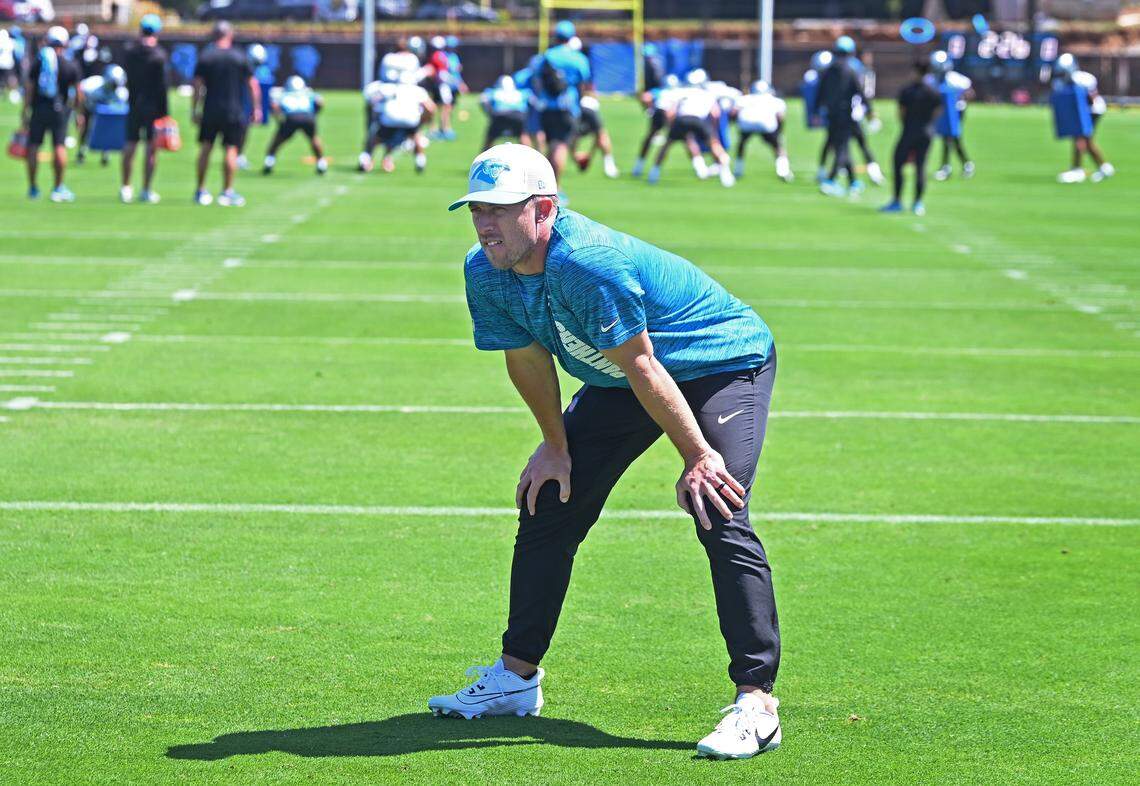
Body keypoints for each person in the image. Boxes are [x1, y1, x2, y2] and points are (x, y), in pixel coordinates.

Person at [430, 144, 782, 762]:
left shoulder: (588, 263)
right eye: (477, 209)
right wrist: (555, 445)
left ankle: (756, 702)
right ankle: (516, 677)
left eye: (501, 210)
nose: (485, 224)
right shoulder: (484, 269)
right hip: (629, 374)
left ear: (543, 210)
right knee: (549, 501)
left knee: (717, 506)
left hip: (719, 362)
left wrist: (698, 456)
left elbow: (646, 363)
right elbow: (527, 359)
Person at [191, 21, 261, 206]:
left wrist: (195, 109)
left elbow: (197, 85)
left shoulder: (207, 56)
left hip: (210, 109)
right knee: (231, 149)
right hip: (234, 110)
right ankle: (227, 192)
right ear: (230, 35)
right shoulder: (239, 57)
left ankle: (200, 191)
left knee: (206, 148)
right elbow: (253, 85)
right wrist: (256, 108)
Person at [647, 69, 735, 187]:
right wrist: (713, 131)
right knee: (714, 144)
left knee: (667, 145)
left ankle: (654, 172)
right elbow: (715, 114)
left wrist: (671, 126)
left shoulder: (682, 92)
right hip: (699, 120)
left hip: (682, 120)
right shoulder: (707, 94)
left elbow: (670, 112)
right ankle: (726, 173)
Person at [531, 20, 592, 191]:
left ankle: (546, 186)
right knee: (561, 146)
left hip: (547, 107)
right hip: (568, 107)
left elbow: (537, 80)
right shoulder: (578, 58)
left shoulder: (548, 55)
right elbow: (583, 84)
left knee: (551, 145)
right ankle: (555, 188)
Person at [22, 26, 80, 202]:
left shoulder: (39, 62)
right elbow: (78, 92)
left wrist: (26, 110)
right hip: (59, 110)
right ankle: (58, 187)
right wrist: (78, 112)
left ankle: (33, 188)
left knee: (34, 145)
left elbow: (30, 88)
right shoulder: (69, 64)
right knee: (59, 146)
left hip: (39, 109)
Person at [880, 60, 942, 216]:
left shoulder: (907, 91)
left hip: (909, 131)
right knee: (921, 167)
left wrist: (908, 124)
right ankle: (917, 203)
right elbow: (938, 111)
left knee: (898, 163)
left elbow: (901, 112)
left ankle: (897, 201)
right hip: (927, 132)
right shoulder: (933, 91)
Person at [121, 13, 169, 204]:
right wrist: (165, 113)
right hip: (153, 108)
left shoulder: (130, 52)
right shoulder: (159, 55)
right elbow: (162, 87)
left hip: (133, 104)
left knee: (130, 145)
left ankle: (126, 187)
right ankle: (146, 189)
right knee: (151, 149)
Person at [1052, 53, 1114, 184]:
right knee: (1086, 140)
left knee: (1080, 138)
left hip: (1092, 111)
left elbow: (1092, 100)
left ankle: (1077, 170)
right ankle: (1104, 168)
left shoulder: (1082, 79)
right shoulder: (1063, 81)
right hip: (1082, 111)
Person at [817, 36, 866, 196]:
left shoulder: (828, 70)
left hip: (831, 115)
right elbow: (859, 92)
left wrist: (816, 110)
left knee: (841, 146)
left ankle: (853, 181)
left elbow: (820, 92)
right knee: (842, 148)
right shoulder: (851, 70)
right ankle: (830, 180)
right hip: (845, 114)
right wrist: (870, 110)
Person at [360, 68, 434, 174]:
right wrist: (424, 121)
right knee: (416, 135)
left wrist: (376, 116)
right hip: (410, 120)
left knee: (374, 140)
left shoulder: (387, 88)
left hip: (390, 119)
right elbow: (431, 108)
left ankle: (366, 160)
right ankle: (420, 162)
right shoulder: (418, 90)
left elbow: (373, 102)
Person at [262, 75, 326, 175]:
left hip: (291, 117)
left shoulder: (282, 94)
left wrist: (279, 120)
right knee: (314, 139)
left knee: (277, 141)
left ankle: (269, 162)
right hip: (308, 117)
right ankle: (321, 163)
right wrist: (314, 114)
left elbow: (274, 106)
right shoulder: (308, 93)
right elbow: (320, 102)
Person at [732, 80, 792, 182]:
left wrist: (737, 123)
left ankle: (738, 170)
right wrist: (779, 131)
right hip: (767, 125)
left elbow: (734, 112)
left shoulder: (744, 99)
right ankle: (783, 171)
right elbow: (780, 117)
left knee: (741, 145)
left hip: (747, 124)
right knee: (778, 147)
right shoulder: (775, 101)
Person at [930, 50, 975, 181]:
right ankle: (961, 165)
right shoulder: (933, 79)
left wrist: (958, 97)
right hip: (942, 112)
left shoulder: (954, 78)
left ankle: (950, 167)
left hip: (956, 112)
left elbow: (970, 93)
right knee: (949, 138)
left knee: (951, 137)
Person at [631, 73, 681, 178]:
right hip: (671, 113)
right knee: (679, 140)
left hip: (659, 112)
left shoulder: (660, 91)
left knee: (649, 137)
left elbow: (645, 97)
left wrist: (648, 109)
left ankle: (639, 165)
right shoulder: (678, 92)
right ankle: (700, 167)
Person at [76, 63, 127, 167]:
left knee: (107, 130)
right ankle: (82, 151)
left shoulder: (121, 93)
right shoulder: (92, 85)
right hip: (89, 108)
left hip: (107, 112)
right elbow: (80, 92)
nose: (114, 87)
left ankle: (105, 154)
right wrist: (80, 113)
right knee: (86, 130)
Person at [571, 94, 619, 178]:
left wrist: (587, 155)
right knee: (601, 135)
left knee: (601, 135)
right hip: (579, 107)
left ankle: (609, 164)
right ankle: (609, 164)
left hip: (580, 107)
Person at [480, 74, 532, 150]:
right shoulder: (521, 93)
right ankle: (529, 155)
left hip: (500, 115)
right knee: (523, 135)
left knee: (490, 139)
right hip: (518, 115)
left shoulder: (494, 92)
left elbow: (483, 100)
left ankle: (483, 157)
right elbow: (532, 101)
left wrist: (490, 113)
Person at [425, 35, 456, 140]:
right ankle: (444, 128)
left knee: (439, 106)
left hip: (439, 84)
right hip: (442, 84)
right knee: (445, 106)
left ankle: (437, 128)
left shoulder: (436, 55)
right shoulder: (438, 56)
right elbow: (441, 72)